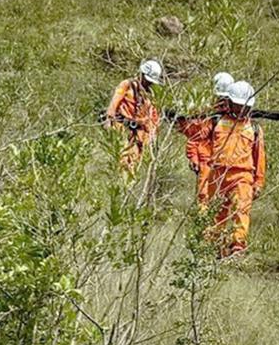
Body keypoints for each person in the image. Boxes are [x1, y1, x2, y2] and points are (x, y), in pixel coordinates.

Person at [201, 80, 266, 257]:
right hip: (217, 174)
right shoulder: (216, 121)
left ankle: (237, 246)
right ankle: (213, 246)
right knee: (216, 212)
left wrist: (258, 182)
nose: (240, 110)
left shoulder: (254, 128)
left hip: (242, 176)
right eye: (237, 105)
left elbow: (259, 157)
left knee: (241, 211)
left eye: (243, 106)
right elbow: (199, 142)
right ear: (228, 102)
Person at [174, 72, 232, 206]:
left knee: (224, 198)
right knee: (204, 195)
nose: (222, 101)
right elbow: (195, 137)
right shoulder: (205, 111)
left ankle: (217, 225)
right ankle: (202, 223)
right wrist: (193, 157)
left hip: (227, 161)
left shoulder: (236, 115)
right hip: (207, 160)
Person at [105, 58, 163, 175]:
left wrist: (152, 134)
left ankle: (128, 186)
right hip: (123, 128)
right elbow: (114, 104)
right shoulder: (127, 85)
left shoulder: (149, 95)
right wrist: (109, 120)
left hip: (138, 134)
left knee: (133, 164)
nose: (149, 83)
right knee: (122, 160)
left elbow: (153, 117)